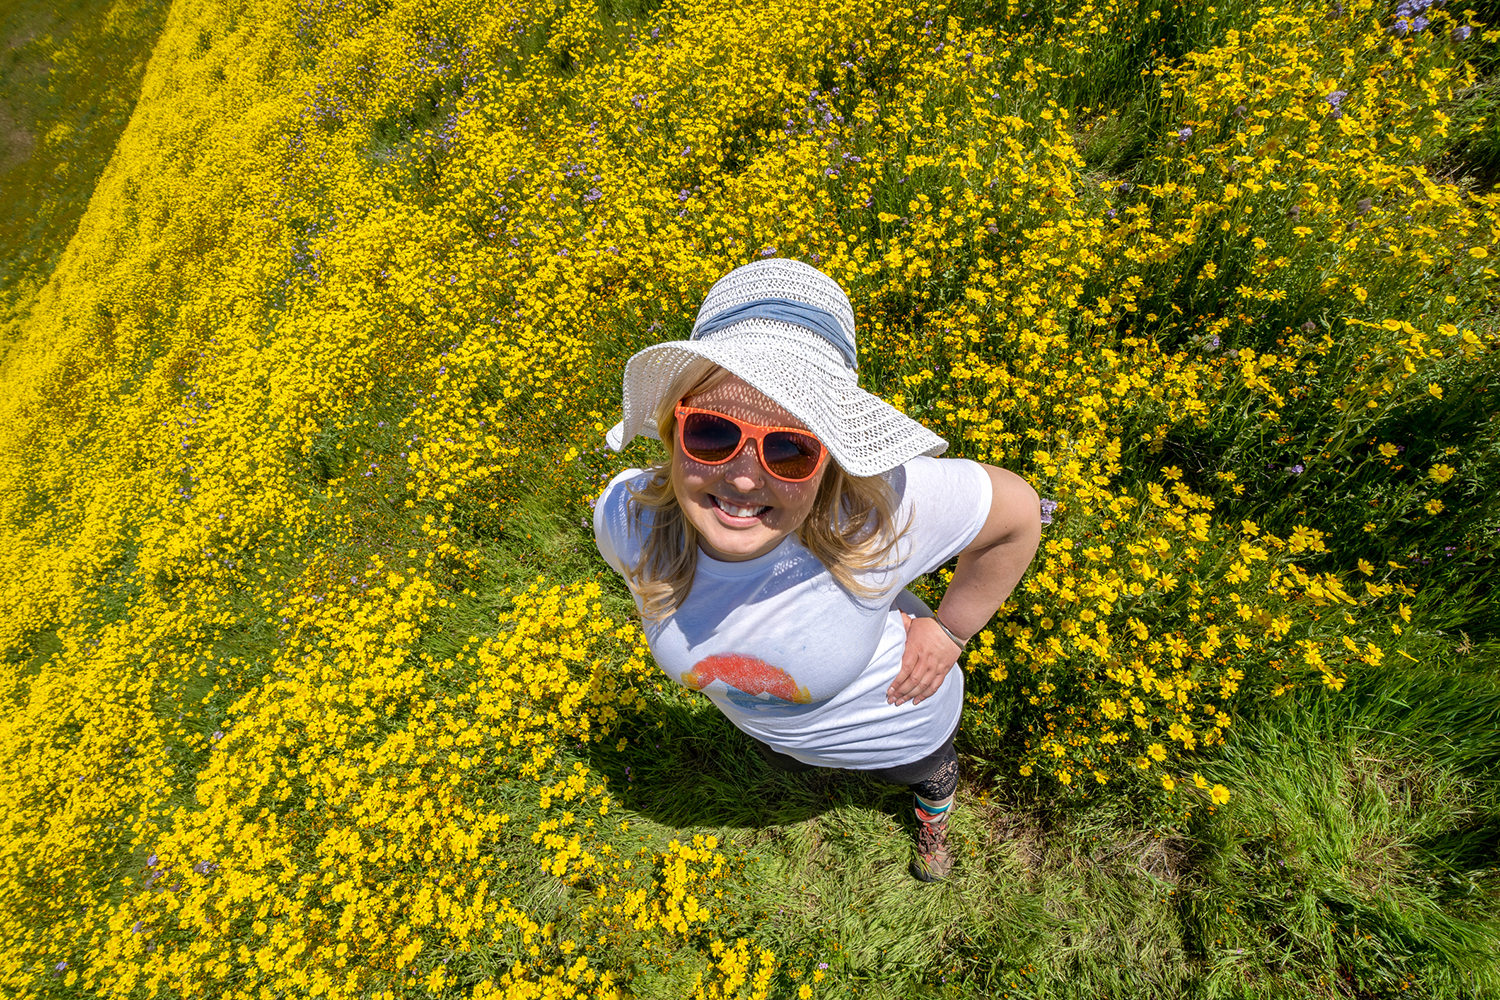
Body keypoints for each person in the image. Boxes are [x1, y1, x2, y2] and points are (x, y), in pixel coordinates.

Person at [593, 258, 1041, 881]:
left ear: (832, 459)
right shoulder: (627, 521)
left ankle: (933, 823)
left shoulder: (875, 512)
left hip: (900, 721)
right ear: (673, 431)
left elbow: (1018, 511)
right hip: (782, 734)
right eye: (714, 433)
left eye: (790, 447)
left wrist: (951, 630)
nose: (745, 477)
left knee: (931, 775)